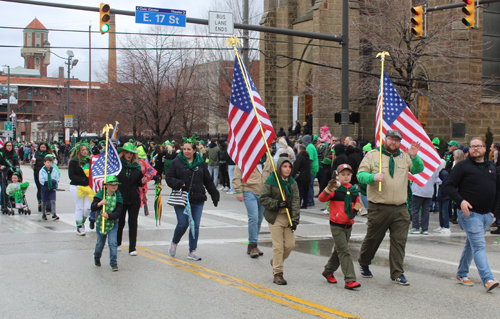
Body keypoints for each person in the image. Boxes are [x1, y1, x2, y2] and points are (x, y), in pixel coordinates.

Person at [357, 129, 424, 285]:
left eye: (397, 140)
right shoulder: (373, 155)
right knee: (374, 238)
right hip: (379, 206)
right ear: (385, 139)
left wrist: (414, 156)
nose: (393, 143)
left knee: (399, 241)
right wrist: (373, 177)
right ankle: (364, 261)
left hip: (400, 207)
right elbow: (360, 175)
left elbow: (418, 169)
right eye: (391, 139)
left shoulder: (404, 157)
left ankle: (397, 273)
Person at [444, 137, 500, 292]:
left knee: (471, 244)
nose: (476, 149)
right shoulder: (462, 166)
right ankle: (488, 279)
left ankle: (461, 273)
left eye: (479, 146)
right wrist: (461, 201)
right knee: (479, 245)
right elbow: (448, 186)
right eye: (473, 146)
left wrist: (494, 211)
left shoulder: (492, 167)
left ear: (484, 148)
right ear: (469, 149)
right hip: (470, 215)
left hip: (487, 215)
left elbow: (498, 190)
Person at [166, 136, 219, 261]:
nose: (186, 151)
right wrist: (178, 183)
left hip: (197, 198)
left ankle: (192, 250)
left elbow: (208, 180)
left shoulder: (200, 163)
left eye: (189, 149)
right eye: (184, 149)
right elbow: (168, 178)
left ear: (195, 150)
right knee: (183, 224)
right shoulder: (176, 162)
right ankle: (174, 242)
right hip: (182, 198)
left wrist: (214, 194)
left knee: (194, 225)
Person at [319, 164, 363, 289]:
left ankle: (328, 271)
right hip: (336, 225)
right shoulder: (335, 188)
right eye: (343, 174)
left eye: (348, 174)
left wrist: (356, 210)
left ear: (351, 176)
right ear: (338, 175)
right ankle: (350, 279)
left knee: (339, 250)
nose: (346, 177)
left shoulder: (354, 190)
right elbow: (322, 199)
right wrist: (328, 188)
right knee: (344, 251)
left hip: (348, 224)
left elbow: (358, 203)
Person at [259, 157, 300, 285]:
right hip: (275, 216)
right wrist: (277, 203)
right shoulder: (272, 181)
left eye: (289, 167)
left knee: (290, 245)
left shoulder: (292, 183)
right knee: (278, 246)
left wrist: (295, 220)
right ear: (279, 167)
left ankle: (276, 261)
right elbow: (263, 198)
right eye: (284, 166)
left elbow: (295, 202)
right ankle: (278, 273)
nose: (287, 169)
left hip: (287, 217)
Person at [233, 154, 272, 258]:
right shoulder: (245, 157)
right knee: (253, 217)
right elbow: (237, 175)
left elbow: (274, 175)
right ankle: (253, 244)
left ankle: (254, 244)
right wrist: (238, 190)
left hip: (264, 192)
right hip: (249, 190)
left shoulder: (268, 158)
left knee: (259, 219)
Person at [116, 142, 146, 256]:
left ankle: (132, 247)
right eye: (127, 152)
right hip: (121, 197)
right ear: (123, 153)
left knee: (133, 222)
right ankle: (118, 243)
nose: (129, 155)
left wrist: (142, 182)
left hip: (134, 198)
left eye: (131, 153)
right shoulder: (118, 165)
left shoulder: (137, 166)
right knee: (121, 221)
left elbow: (138, 182)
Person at [92, 175, 123, 272]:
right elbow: (92, 207)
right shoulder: (100, 194)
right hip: (101, 223)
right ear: (106, 186)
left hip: (113, 223)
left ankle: (113, 262)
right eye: (111, 184)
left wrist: (109, 216)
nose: (114, 186)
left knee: (113, 243)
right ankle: (97, 256)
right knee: (100, 244)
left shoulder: (118, 196)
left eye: (116, 184)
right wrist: (99, 204)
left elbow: (119, 212)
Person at [408, 165, 440, 235]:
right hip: (429, 192)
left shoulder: (418, 166)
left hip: (418, 191)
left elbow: (411, 176)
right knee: (426, 211)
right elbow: (436, 179)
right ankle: (425, 228)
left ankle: (416, 227)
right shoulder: (433, 167)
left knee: (415, 210)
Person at [68, 142, 92, 235]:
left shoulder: (89, 160)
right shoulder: (74, 162)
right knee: (80, 207)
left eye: (86, 149)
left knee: (88, 208)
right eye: (82, 150)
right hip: (77, 186)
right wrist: (83, 180)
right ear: (78, 151)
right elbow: (72, 176)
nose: (85, 151)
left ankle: (82, 222)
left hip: (88, 187)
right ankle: (79, 226)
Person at [0, 141, 20, 211]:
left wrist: (17, 166)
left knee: (13, 189)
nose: (9, 147)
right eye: (8, 145)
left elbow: (16, 162)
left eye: (10, 146)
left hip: (11, 174)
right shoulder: (1, 154)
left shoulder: (14, 154)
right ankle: (3, 204)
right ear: (5, 146)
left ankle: (10, 202)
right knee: (4, 189)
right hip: (2, 174)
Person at [39, 156, 59, 221]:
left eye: (50, 162)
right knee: (44, 201)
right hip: (45, 188)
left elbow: (56, 178)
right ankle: (43, 213)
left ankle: (54, 214)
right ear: (44, 163)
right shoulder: (42, 171)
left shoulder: (54, 170)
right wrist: (48, 181)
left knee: (53, 200)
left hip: (52, 187)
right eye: (47, 162)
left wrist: (53, 181)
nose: (49, 164)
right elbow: (41, 180)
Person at [292, 145, 311, 209]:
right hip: (307, 177)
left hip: (301, 177)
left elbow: (295, 167)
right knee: (306, 192)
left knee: (300, 191)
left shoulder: (300, 158)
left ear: (299, 150)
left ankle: (298, 204)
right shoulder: (307, 157)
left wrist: (292, 176)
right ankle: (305, 204)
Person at [435, 160, 451, 234]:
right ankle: (442, 225)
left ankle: (446, 226)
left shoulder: (444, 174)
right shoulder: (440, 173)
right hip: (441, 195)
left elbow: (445, 186)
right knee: (441, 211)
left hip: (444, 195)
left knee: (444, 211)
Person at [302, 135, 318, 207]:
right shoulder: (310, 146)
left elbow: (310, 161)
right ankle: (310, 200)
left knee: (309, 185)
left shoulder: (309, 147)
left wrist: (306, 170)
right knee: (310, 185)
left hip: (311, 170)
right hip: (313, 169)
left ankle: (310, 201)